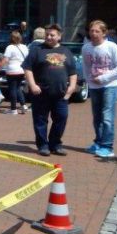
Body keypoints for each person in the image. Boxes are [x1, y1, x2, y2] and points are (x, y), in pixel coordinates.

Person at [22, 24, 77, 156]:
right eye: (47, 34)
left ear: (59, 36)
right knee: (40, 120)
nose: (49, 37)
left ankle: (55, 144)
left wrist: (71, 88)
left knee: (61, 118)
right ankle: (43, 145)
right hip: (41, 94)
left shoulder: (66, 51)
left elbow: (73, 72)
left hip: (61, 94)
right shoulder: (37, 50)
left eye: (52, 35)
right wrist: (33, 85)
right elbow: (27, 68)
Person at [82, 20, 117, 159]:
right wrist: (88, 80)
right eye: (91, 31)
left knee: (107, 117)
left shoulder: (111, 47)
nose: (93, 34)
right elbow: (86, 67)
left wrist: (103, 78)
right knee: (97, 117)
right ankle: (99, 142)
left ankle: (107, 146)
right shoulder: (86, 48)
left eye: (97, 31)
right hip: (94, 86)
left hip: (109, 85)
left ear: (104, 33)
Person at [3, 31, 29, 115]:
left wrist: (0, 67)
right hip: (21, 70)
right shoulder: (24, 47)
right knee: (18, 87)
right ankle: (23, 105)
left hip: (12, 70)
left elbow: (6, 60)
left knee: (12, 89)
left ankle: (13, 109)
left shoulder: (10, 47)